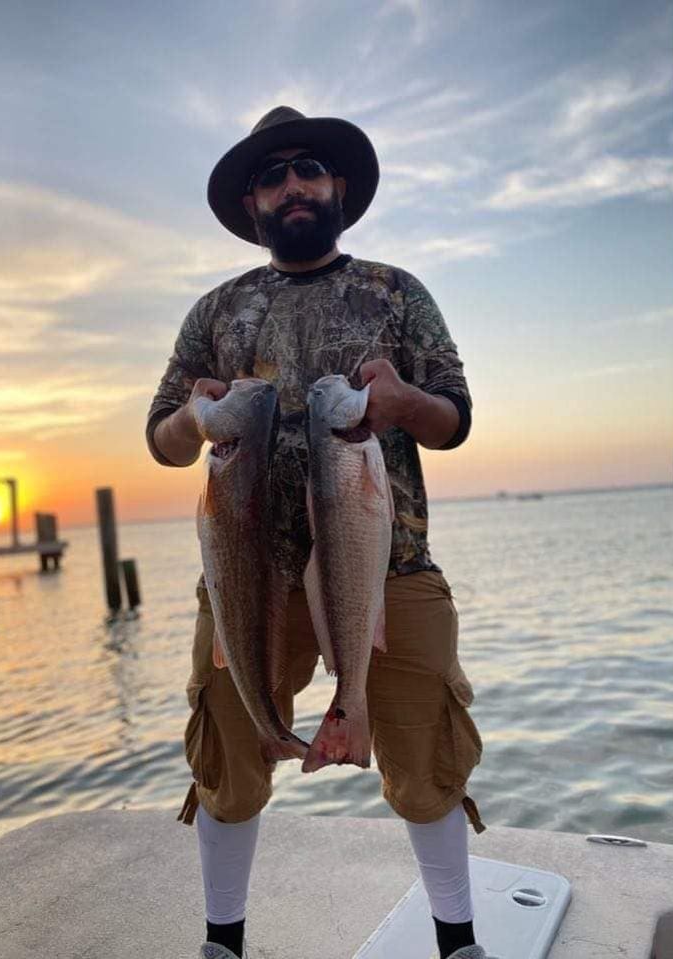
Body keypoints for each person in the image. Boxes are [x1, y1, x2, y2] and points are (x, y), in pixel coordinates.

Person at [146, 106, 487, 959]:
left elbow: (456, 414)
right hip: (244, 570)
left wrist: (407, 404)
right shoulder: (216, 309)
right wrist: (197, 419)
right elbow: (159, 435)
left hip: (387, 564)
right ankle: (223, 943)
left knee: (425, 756)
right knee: (227, 758)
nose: (293, 184)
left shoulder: (395, 291)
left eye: (308, 168)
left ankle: (460, 943)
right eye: (273, 175)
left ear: (337, 185)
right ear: (255, 202)